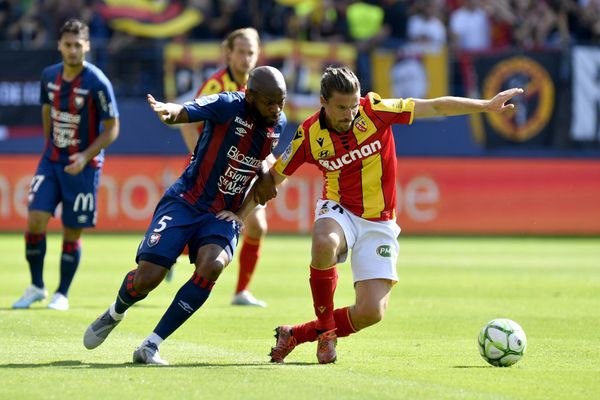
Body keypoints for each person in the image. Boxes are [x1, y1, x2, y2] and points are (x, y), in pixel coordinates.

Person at [228, 66, 524, 364]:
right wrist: (241, 215)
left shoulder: (376, 111)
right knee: (323, 242)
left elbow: (434, 105)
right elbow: (273, 179)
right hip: (338, 209)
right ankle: (327, 335)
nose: (349, 113)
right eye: (341, 107)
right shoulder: (309, 134)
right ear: (323, 102)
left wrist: (486, 106)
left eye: (354, 105)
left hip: (380, 222)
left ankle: (298, 334)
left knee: (372, 312)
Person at [83, 66, 287, 365]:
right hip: (186, 201)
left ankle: (151, 345)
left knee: (213, 265)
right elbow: (189, 109)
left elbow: (263, 159)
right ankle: (116, 311)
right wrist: (171, 110)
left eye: (280, 101)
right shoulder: (228, 104)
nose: (276, 108)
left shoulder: (277, 122)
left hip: (223, 213)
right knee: (148, 279)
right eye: (270, 102)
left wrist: (263, 177)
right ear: (251, 96)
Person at [12, 18, 120, 311]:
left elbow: (112, 128)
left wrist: (85, 156)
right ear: (59, 45)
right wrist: (50, 147)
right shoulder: (49, 76)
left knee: (72, 230)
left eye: (78, 45)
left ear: (86, 46)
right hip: (52, 161)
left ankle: (62, 293)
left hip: (84, 166)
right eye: (67, 44)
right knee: (35, 219)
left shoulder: (97, 82)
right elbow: (47, 111)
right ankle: (36, 286)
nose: (72, 50)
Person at [178, 27, 275, 307]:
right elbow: (187, 119)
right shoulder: (215, 86)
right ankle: (170, 252)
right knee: (198, 223)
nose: (246, 58)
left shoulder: (261, 88)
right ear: (228, 53)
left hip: (241, 169)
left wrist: (267, 162)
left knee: (257, 226)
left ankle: (241, 291)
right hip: (211, 170)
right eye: (241, 52)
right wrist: (202, 157)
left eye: (251, 53)